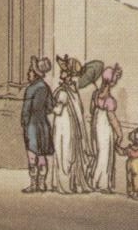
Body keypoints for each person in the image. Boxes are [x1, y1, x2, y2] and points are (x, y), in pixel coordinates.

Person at [50, 55, 92, 194]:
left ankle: (66, 183)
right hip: (69, 125)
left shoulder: (63, 92)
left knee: (65, 152)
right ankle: (71, 183)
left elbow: (57, 110)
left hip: (65, 125)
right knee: (68, 152)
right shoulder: (71, 91)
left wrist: (49, 107)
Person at [21, 56, 55, 193]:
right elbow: (50, 107)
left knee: (32, 155)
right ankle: (42, 184)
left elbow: (26, 110)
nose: (28, 73)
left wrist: (24, 123)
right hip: (44, 124)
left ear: (35, 73)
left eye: (30, 71)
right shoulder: (46, 88)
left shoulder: (30, 89)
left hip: (32, 125)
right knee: (42, 155)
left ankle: (34, 184)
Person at [89, 63, 124, 193]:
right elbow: (112, 119)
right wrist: (119, 133)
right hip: (104, 127)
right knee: (105, 154)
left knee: (99, 153)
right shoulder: (109, 100)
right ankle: (103, 184)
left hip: (96, 124)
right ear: (112, 82)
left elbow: (92, 111)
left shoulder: (95, 95)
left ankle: (94, 181)